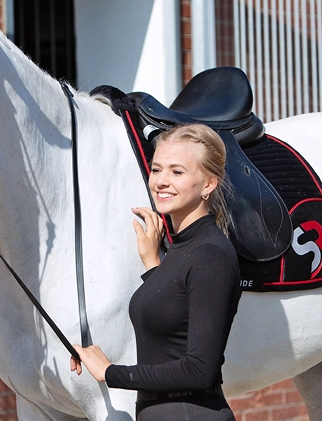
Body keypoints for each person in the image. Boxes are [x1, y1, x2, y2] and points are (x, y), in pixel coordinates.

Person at [71, 124, 242, 420]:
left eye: (177, 172)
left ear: (208, 184)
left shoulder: (210, 255)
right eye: (156, 170)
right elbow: (172, 323)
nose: (161, 181)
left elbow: (199, 370)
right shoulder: (181, 250)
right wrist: (153, 266)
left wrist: (110, 373)